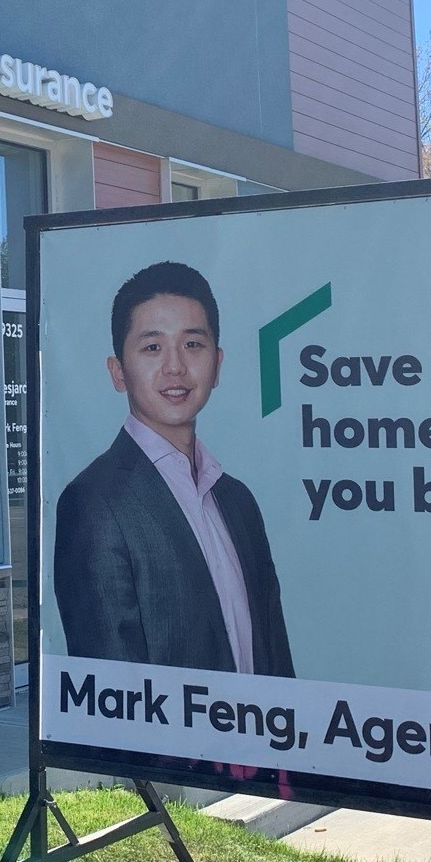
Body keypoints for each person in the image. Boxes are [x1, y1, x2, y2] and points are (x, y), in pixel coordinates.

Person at [53, 260, 294, 676]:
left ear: (217, 364)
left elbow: (277, 664)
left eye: (193, 344)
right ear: (118, 372)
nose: (175, 367)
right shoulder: (93, 503)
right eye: (152, 347)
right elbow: (111, 690)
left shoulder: (238, 500)